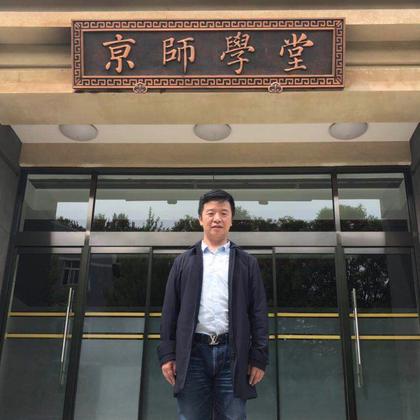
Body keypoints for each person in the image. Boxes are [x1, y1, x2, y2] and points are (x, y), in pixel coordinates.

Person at [158, 189, 268, 420]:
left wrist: (259, 356)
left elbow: (258, 313)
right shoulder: (183, 262)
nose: (217, 218)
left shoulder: (247, 263)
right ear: (200, 219)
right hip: (193, 354)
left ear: (231, 219)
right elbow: (170, 312)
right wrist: (167, 354)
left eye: (223, 213)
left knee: (233, 416)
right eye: (211, 213)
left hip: (233, 354)